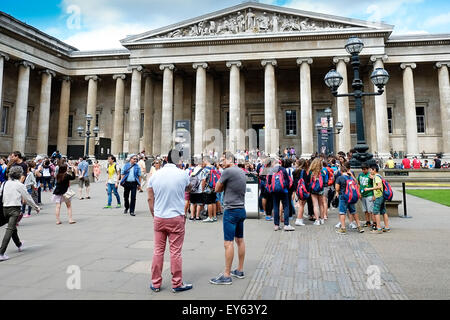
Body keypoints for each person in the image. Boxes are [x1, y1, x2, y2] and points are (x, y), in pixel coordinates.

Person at [147, 149, 193, 293]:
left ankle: (155, 283)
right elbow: (189, 188)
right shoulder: (183, 174)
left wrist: (154, 214)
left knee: (158, 251)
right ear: (179, 160)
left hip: (159, 217)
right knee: (175, 252)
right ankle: (177, 283)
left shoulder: (155, 175)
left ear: (166, 159)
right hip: (176, 217)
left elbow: (150, 198)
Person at [210, 152, 247, 285]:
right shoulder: (241, 171)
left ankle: (226, 274)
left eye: (223, 159)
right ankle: (240, 270)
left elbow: (217, 188)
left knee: (228, 243)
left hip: (231, 210)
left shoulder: (227, 172)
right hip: (241, 209)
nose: (221, 162)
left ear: (230, 159)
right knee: (240, 240)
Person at [0, 166, 40, 261]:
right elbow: (27, 198)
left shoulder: (5, 183)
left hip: (4, 208)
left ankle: (19, 244)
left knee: (12, 228)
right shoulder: (20, 185)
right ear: (20, 175)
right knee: (10, 229)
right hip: (14, 209)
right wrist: (36, 207)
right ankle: (1, 252)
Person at [334, 162, 364, 235]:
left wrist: (337, 191)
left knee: (342, 212)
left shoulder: (340, 178)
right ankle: (359, 227)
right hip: (351, 197)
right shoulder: (350, 177)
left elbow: (337, 188)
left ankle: (343, 228)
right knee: (353, 212)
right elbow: (356, 183)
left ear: (341, 171)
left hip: (343, 197)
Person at [266, 158, 294, 231]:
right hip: (283, 190)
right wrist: (285, 187)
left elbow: (268, 182)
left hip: (274, 191)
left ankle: (276, 225)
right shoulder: (283, 169)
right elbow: (288, 180)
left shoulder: (271, 171)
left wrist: (271, 189)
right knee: (286, 206)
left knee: (276, 207)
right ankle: (286, 224)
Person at [365, 164, 391, 234]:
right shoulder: (378, 176)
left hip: (379, 196)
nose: (370, 171)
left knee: (376, 212)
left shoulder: (376, 177)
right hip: (381, 196)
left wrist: (369, 188)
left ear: (374, 170)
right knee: (383, 211)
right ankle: (386, 227)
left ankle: (378, 228)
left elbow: (379, 186)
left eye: (371, 170)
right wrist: (372, 178)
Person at [308, 158, 325, 226]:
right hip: (321, 189)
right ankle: (322, 219)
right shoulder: (322, 172)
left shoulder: (311, 172)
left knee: (315, 205)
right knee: (321, 204)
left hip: (313, 189)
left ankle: (317, 220)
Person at [357, 163, 374, 228]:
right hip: (363, 194)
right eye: (362, 169)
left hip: (369, 194)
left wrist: (374, 195)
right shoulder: (360, 175)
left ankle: (374, 222)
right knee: (365, 210)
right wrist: (359, 193)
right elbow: (358, 184)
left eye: (365, 169)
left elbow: (374, 185)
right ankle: (368, 222)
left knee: (370, 210)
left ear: (368, 169)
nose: (363, 171)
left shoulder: (370, 175)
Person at [202, 157, 218, 223]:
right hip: (214, 187)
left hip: (208, 188)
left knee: (209, 203)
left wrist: (202, 188)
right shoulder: (214, 168)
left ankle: (210, 217)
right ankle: (214, 216)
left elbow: (203, 180)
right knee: (213, 202)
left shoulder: (205, 169)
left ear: (206, 161)